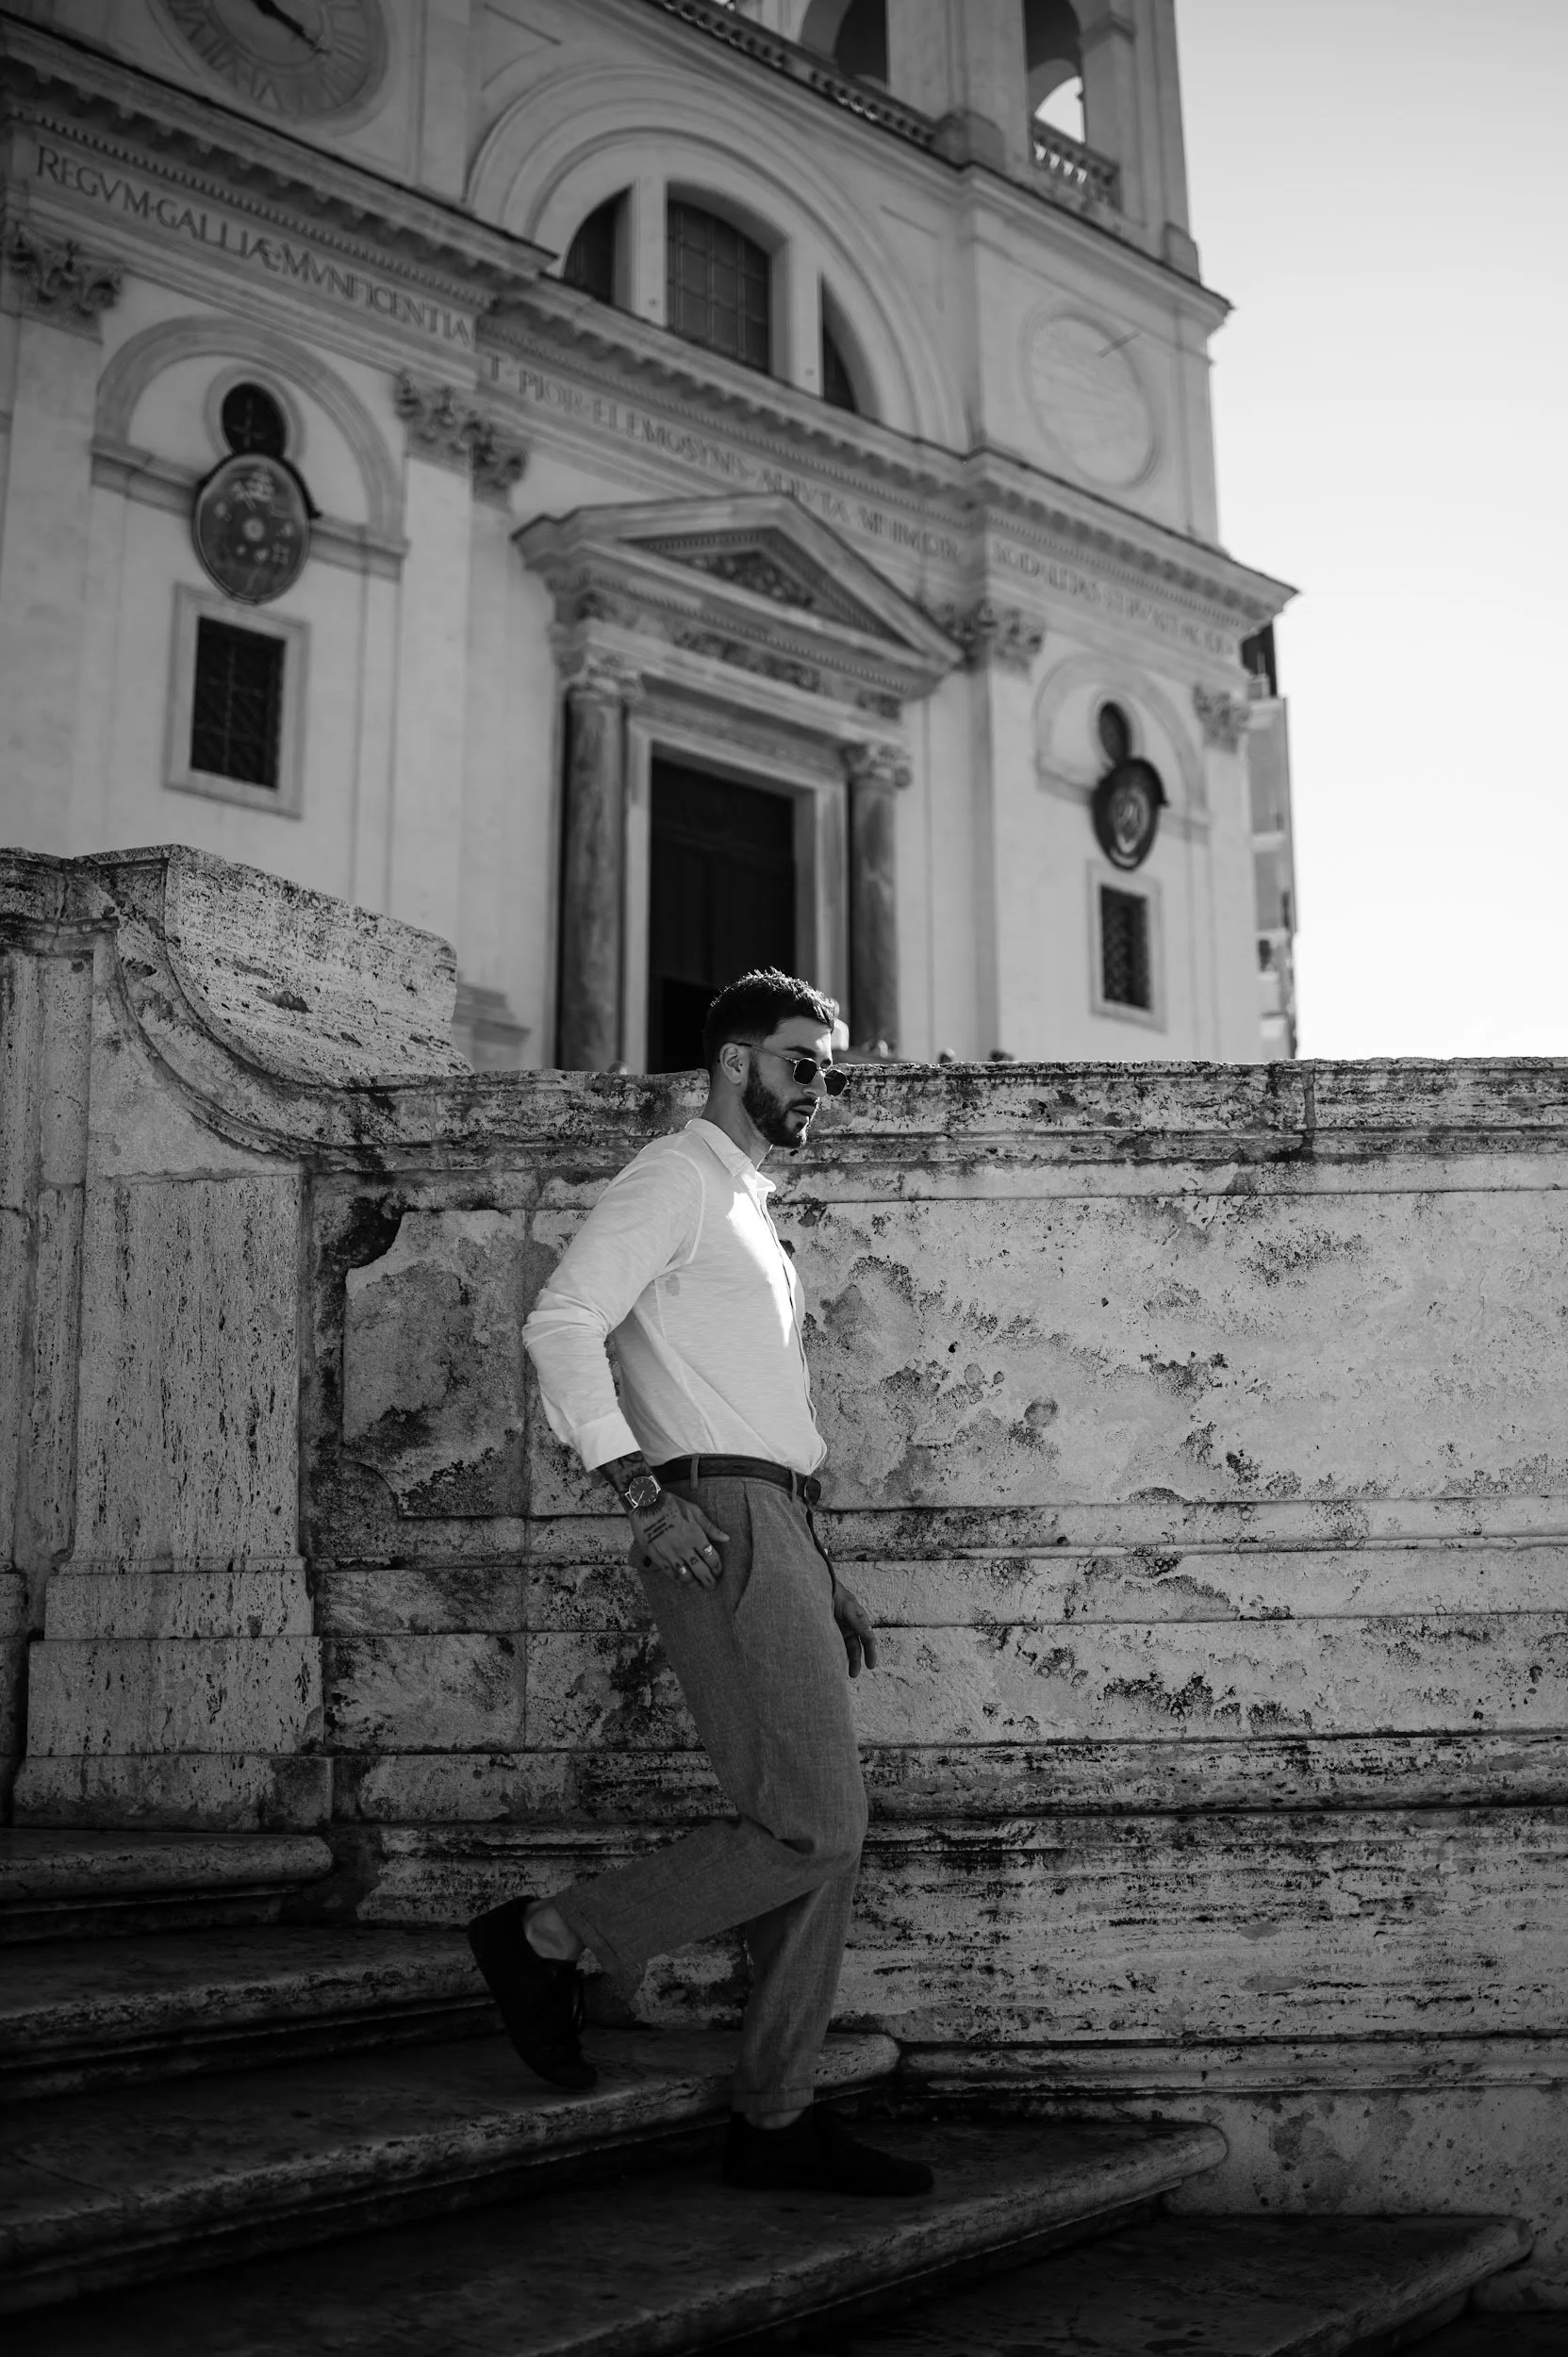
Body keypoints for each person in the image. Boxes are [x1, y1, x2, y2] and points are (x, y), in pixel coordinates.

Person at [466, 968, 932, 2198]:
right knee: (815, 1824)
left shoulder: (746, 1210)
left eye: (824, 1069)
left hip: (770, 1522)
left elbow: (759, 1407)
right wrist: (637, 1494)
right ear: (733, 1062)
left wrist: (815, 1564)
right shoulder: (674, 1177)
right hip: (710, 1521)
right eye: (798, 1063)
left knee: (814, 1835)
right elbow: (561, 1319)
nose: (816, 1090)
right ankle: (550, 1937)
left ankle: (773, 2118)